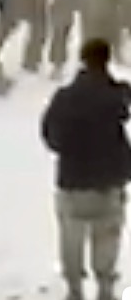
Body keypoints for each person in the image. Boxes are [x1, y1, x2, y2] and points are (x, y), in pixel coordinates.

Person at [40, 37, 131, 300]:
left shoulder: (66, 97)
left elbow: (50, 135)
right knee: (107, 237)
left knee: (71, 239)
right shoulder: (116, 96)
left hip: (72, 180)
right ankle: (105, 288)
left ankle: (74, 289)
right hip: (110, 182)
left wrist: (69, 151)